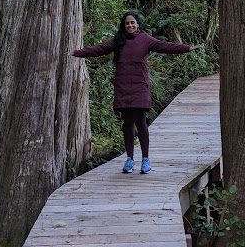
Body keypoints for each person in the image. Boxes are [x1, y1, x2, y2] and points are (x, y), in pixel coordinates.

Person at [72, 10, 192, 174]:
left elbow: (165, 46)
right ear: (124, 25)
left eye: (133, 22)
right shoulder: (118, 40)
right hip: (123, 85)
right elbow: (98, 49)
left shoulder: (145, 39)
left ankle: (145, 160)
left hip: (139, 86)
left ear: (138, 24)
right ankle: (129, 159)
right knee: (127, 123)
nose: (130, 25)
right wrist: (76, 53)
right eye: (127, 23)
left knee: (141, 122)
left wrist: (187, 48)